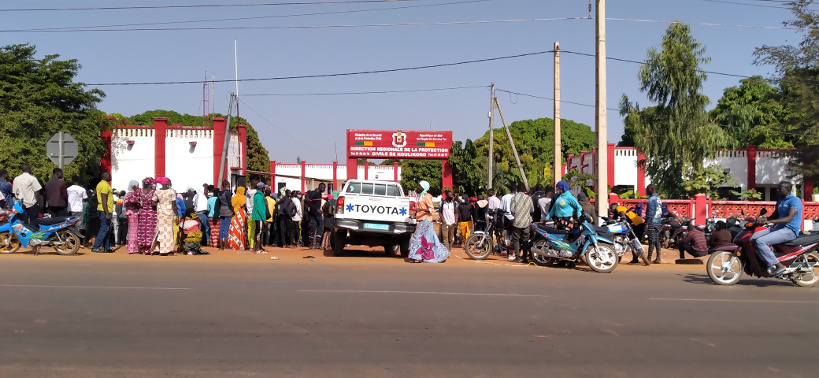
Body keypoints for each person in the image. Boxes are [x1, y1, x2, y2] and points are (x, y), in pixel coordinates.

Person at [752, 181, 803, 277]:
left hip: (789, 230)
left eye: (780, 188)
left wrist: (769, 222)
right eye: (778, 188)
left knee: (761, 241)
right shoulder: (780, 200)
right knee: (753, 238)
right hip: (779, 228)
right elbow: (774, 216)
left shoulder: (795, 201)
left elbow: (789, 218)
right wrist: (763, 219)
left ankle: (779, 265)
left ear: (787, 189)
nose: (777, 190)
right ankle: (766, 263)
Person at [408, 181, 450, 263]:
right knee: (430, 238)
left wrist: (421, 210)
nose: (418, 187)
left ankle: (416, 256)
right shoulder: (421, 196)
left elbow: (431, 209)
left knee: (417, 237)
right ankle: (441, 254)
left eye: (420, 186)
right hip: (422, 219)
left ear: (423, 187)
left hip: (425, 220)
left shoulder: (427, 197)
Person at [12, 163, 42, 231]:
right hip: (31, 203)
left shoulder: (16, 179)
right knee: (33, 221)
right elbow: (37, 191)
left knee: (22, 222)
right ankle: (33, 236)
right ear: (28, 169)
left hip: (20, 204)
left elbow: (14, 192)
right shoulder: (32, 178)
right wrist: (38, 201)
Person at [152, 177, 178, 256]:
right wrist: (176, 214)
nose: (170, 183)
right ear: (166, 183)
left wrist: (160, 205)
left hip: (160, 213)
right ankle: (167, 250)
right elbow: (174, 204)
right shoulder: (171, 191)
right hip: (169, 212)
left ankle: (157, 248)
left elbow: (153, 203)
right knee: (168, 231)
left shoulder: (157, 191)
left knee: (160, 230)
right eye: (169, 182)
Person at [510, 183, 534, 263]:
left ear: (517, 189)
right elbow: (532, 210)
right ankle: (524, 258)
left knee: (516, 239)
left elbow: (512, 210)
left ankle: (517, 257)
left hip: (517, 222)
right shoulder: (529, 198)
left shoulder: (514, 198)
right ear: (524, 190)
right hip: (526, 222)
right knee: (525, 240)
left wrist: (517, 215)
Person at [92, 171, 114, 253]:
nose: (110, 176)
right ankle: (96, 247)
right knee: (104, 228)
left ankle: (107, 247)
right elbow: (104, 199)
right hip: (104, 210)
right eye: (109, 175)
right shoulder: (104, 185)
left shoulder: (101, 184)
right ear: (104, 176)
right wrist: (107, 213)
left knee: (107, 228)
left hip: (104, 209)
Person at [137, 177, 158, 255]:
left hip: (142, 213)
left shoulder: (140, 192)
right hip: (151, 213)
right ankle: (150, 248)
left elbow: (137, 201)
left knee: (143, 230)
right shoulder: (154, 192)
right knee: (151, 230)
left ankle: (142, 247)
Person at [644, 184, 663, 264]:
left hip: (652, 222)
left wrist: (647, 223)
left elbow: (650, 213)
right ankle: (658, 257)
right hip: (658, 221)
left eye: (647, 189)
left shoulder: (651, 199)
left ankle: (649, 258)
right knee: (657, 240)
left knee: (651, 240)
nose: (646, 191)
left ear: (651, 189)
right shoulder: (658, 199)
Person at [123, 181, 142, 254]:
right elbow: (131, 202)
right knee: (134, 231)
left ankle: (132, 248)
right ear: (133, 186)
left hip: (131, 213)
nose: (137, 187)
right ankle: (133, 248)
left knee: (132, 230)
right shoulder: (131, 195)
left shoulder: (128, 194)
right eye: (137, 186)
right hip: (133, 213)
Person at [305, 183, 325, 250]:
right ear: (319, 186)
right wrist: (316, 209)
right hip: (313, 214)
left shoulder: (320, 194)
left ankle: (317, 243)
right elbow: (308, 203)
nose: (324, 189)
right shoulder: (313, 194)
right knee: (312, 229)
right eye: (323, 188)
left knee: (321, 228)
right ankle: (310, 244)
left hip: (318, 215)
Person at [228, 186, 248, 250]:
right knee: (242, 229)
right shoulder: (243, 198)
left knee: (234, 229)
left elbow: (232, 206)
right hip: (241, 214)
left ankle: (233, 244)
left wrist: (233, 213)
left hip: (234, 214)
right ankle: (241, 245)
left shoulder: (233, 198)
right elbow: (244, 206)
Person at [251, 182, 268, 253]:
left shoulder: (258, 195)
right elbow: (260, 209)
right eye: (264, 188)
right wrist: (264, 219)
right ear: (261, 188)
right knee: (259, 231)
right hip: (259, 217)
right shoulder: (259, 196)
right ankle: (257, 247)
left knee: (258, 231)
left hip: (257, 216)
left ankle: (259, 247)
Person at [217, 181, 233, 250]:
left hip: (221, 210)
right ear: (226, 185)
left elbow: (219, 203)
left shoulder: (219, 193)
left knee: (221, 228)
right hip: (227, 211)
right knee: (226, 228)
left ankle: (221, 246)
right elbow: (229, 203)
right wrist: (232, 210)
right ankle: (226, 246)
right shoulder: (227, 193)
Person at [245, 179, 258, 250]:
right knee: (254, 229)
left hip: (248, 212)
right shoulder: (256, 192)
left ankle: (250, 244)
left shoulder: (247, 192)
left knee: (250, 229)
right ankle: (252, 245)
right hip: (254, 213)